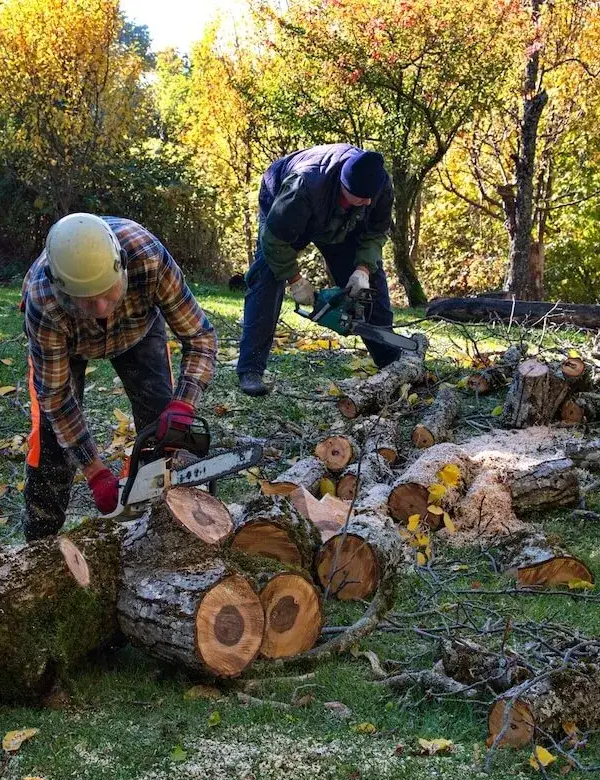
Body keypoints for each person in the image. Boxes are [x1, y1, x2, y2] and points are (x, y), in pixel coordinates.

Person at [21, 213, 217, 540]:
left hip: (138, 331)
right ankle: (39, 544)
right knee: (51, 444)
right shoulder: (43, 301)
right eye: (86, 300)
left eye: (107, 293)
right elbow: (56, 398)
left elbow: (200, 338)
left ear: (122, 265)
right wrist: (95, 473)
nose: (101, 307)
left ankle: (156, 526)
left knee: (162, 426)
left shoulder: (148, 258)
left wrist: (184, 404)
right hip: (69, 346)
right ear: (61, 289)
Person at [237, 144, 398, 397]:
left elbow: (377, 232)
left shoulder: (379, 185)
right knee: (267, 276)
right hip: (287, 209)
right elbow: (274, 241)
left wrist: (363, 269)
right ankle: (250, 369)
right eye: (361, 197)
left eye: (371, 197)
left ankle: (392, 360)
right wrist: (295, 280)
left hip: (344, 224)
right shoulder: (303, 186)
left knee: (371, 285)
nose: (368, 202)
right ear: (345, 185)